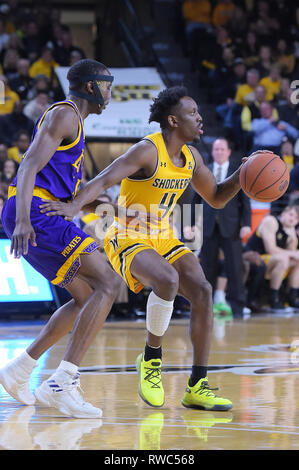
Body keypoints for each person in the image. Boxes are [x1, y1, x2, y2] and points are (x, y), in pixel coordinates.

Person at [39, 86, 261, 412]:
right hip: (126, 234)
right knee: (168, 279)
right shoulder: (146, 151)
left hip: (162, 235)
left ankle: (197, 386)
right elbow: (102, 181)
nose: (200, 118)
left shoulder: (191, 157)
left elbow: (215, 196)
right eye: (192, 113)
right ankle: (151, 361)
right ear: (173, 120)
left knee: (202, 290)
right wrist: (73, 207)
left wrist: (241, 176)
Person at [0, 58, 123, 419]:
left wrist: (96, 201)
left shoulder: (75, 123)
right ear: (90, 87)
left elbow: (65, 186)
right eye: (107, 86)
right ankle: (62, 382)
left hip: (42, 210)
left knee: (86, 297)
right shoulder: (65, 114)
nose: (110, 94)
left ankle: (20, 369)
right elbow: (26, 167)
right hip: (35, 212)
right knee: (109, 282)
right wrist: (23, 219)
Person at [193, 138, 251, 318]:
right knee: (207, 267)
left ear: (228, 152)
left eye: (222, 149)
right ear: (212, 152)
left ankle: (238, 307)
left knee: (234, 267)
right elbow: (195, 201)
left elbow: (245, 202)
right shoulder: (205, 171)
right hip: (209, 227)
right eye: (216, 149)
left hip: (231, 226)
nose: (218, 152)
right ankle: (206, 307)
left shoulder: (237, 171)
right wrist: (191, 224)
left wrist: (246, 224)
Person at [244, 205, 299, 312]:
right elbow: (271, 250)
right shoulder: (271, 221)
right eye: (291, 214)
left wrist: (292, 237)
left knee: (296, 261)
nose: (292, 219)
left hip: (270, 261)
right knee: (283, 259)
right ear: (283, 214)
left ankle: (292, 298)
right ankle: (273, 299)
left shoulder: (289, 230)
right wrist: (293, 253)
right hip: (254, 257)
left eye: (296, 218)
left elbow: (291, 253)